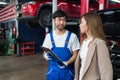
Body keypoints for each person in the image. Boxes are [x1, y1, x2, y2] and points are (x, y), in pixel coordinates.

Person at [74, 12, 113, 80]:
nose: (79, 25)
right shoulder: (84, 41)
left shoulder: (99, 43)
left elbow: (106, 72)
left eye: (82, 23)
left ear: (90, 25)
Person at [42, 10, 80, 80]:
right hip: (53, 72)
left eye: (64, 20)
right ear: (54, 20)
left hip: (68, 72)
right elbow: (44, 52)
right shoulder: (48, 37)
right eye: (59, 20)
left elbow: (75, 54)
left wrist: (67, 63)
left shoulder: (72, 36)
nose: (61, 22)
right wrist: (45, 56)